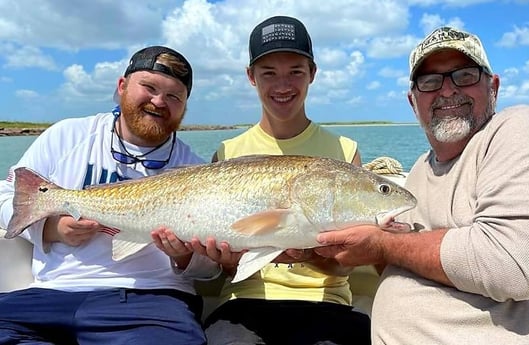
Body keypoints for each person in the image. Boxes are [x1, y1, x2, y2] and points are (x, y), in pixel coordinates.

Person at [315, 26, 529, 344]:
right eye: (430, 82)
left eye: (465, 75)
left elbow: (510, 263)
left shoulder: (512, 131)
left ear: (493, 86)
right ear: (413, 101)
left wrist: (383, 244)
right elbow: (406, 258)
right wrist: (324, 250)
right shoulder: (418, 171)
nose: (447, 91)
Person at [0, 46, 221, 345]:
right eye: (150, 87)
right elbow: (8, 195)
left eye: (174, 97)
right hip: (50, 292)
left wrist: (184, 257)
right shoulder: (66, 135)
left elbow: (209, 269)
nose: (159, 102)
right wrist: (51, 229)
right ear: (122, 86)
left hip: (151, 299)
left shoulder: (197, 170)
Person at [202, 15, 373, 345]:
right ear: (251, 77)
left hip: (328, 304)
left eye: (295, 71)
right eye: (269, 73)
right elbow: (225, 267)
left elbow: (344, 267)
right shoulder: (227, 152)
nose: (283, 85)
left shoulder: (344, 151)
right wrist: (225, 261)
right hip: (243, 303)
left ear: (313, 74)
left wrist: (308, 255)